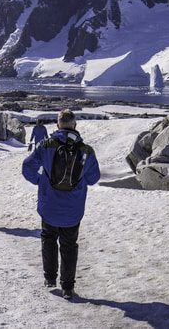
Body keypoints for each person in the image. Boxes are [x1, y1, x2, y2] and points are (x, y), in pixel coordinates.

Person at [21, 109, 100, 299]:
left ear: (58, 124)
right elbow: (93, 178)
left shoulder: (46, 145)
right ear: (74, 125)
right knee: (69, 245)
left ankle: (50, 278)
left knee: (48, 240)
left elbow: (27, 167)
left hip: (49, 206)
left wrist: (40, 181)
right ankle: (67, 287)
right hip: (73, 210)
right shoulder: (86, 151)